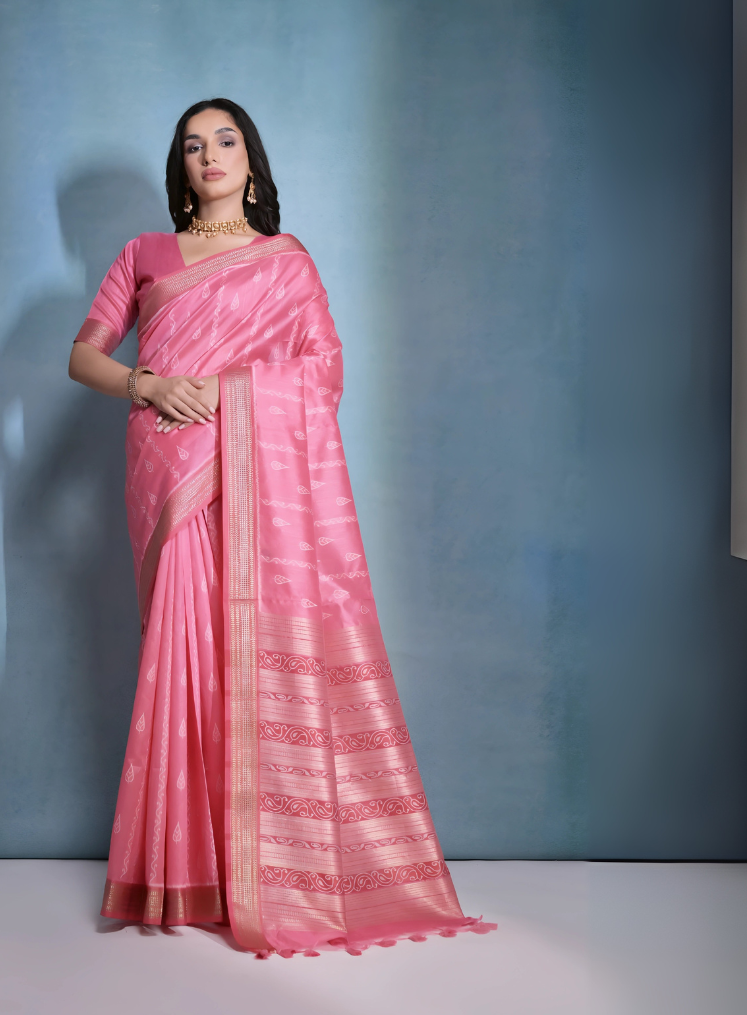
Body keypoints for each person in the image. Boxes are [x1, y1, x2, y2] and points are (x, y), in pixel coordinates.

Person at [69, 98, 494, 956]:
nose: (209, 155)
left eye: (224, 140)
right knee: (181, 652)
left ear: (251, 161)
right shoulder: (144, 255)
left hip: (248, 465)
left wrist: (230, 397)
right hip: (167, 467)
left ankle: (257, 868)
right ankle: (176, 872)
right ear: (181, 169)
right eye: (193, 146)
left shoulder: (285, 263)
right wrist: (148, 385)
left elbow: (322, 372)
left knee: (249, 649)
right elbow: (84, 355)